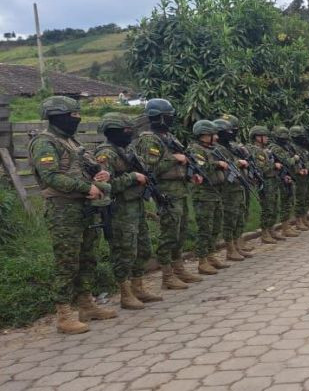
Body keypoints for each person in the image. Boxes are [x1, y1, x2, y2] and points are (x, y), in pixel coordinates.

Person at [29, 96, 117, 333]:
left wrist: (101, 176)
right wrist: (85, 187)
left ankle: (86, 304)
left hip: (85, 208)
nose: (76, 120)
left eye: (78, 116)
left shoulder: (73, 142)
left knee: (88, 257)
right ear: (56, 117)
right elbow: (51, 176)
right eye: (72, 116)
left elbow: (92, 167)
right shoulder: (45, 143)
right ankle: (64, 314)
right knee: (67, 261)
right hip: (62, 210)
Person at [94, 112, 161, 311]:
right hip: (120, 210)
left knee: (144, 248)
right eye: (125, 130)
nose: (129, 133)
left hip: (136, 206)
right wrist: (132, 177)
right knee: (124, 253)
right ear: (113, 131)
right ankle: (125, 293)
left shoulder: (126, 150)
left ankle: (138, 287)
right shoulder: (106, 154)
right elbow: (106, 186)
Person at [135, 98, 202, 289]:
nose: (171, 119)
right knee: (169, 233)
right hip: (166, 192)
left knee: (180, 233)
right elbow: (150, 168)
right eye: (168, 116)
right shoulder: (149, 139)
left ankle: (179, 268)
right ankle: (167, 275)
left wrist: (191, 175)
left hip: (180, 190)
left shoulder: (169, 137)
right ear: (159, 118)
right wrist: (174, 159)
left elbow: (184, 160)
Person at [187, 120, 229, 275]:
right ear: (204, 135)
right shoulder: (195, 149)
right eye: (213, 135)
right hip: (203, 194)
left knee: (215, 226)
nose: (217, 137)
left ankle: (211, 256)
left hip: (215, 193)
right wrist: (218, 164)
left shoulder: (211, 149)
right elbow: (201, 167)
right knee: (205, 228)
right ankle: (202, 261)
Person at [213, 118, 253, 261]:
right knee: (229, 217)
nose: (230, 134)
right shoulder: (216, 148)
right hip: (227, 188)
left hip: (237, 185)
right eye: (227, 132)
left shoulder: (229, 146)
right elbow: (224, 163)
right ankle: (230, 249)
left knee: (238, 216)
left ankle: (237, 245)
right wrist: (238, 162)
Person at [248, 126, 281, 243]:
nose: (267, 138)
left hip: (272, 180)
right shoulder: (257, 151)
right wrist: (274, 166)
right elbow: (261, 167)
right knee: (267, 208)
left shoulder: (265, 150)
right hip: (265, 181)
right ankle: (265, 233)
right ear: (257, 137)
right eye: (264, 136)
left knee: (273, 206)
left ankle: (271, 229)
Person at [270, 126, 300, 237]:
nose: (285, 140)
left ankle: (287, 226)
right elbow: (287, 161)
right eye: (282, 138)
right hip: (281, 177)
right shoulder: (275, 148)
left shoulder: (286, 147)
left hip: (287, 176)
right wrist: (295, 159)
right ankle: (285, 228)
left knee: (289, 202)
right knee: (285, 203)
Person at [290, 126, 309, 228]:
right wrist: (299, 170)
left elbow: (308, 161)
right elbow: (290, 163)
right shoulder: (291, 148)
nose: (304, 138)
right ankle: (298, 221)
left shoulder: (303, 149)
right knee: (300, 199)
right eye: (301, 136)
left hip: (307, 176)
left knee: (308, 198)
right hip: (298, 177)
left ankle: (304, 218)